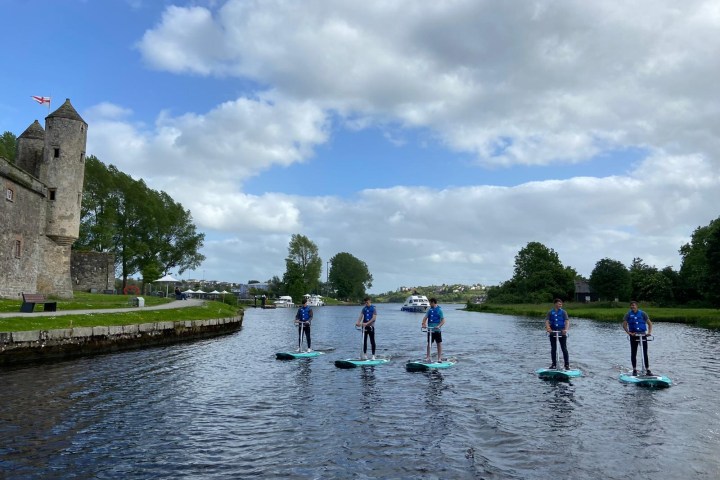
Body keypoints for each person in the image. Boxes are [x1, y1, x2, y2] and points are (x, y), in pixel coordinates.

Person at [623, 300, 653, 376]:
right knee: (633, 352)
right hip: (633, 336)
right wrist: (629, 333)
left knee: (645, 353)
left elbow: (650, 324)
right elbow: (624, 325)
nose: (632, 307)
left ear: (637, 306)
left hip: (643, 335)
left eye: (634, 305)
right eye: (631, 305)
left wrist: (649, 333)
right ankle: (634, 369)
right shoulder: (628, 314)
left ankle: (647, 369)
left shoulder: (643, 314)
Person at [545, 298, 570, 370]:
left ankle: (567, 365)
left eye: (561, 304)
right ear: (555, 304)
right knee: (553, 349)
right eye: (559, 304)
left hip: (562, 332)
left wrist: (565, 329)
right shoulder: (550, 312)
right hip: (553, 332)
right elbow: (547, 321)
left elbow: (567, 321)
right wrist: (548, 329)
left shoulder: (563, 312)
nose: (560, 305)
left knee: (564, 348)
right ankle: (553, 364)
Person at [421, 298, 445, 362]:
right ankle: (428, 357)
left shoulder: (439, 310)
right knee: (429, 343)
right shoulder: (429, 310)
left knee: (438, 343)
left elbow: (443, 320)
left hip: (437, 330)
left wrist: (438, 326)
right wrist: (423, 324)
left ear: (433, 303)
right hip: (430, 330)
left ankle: (439, 358)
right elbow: (425, 318)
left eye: (430, 303)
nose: (429, 304)